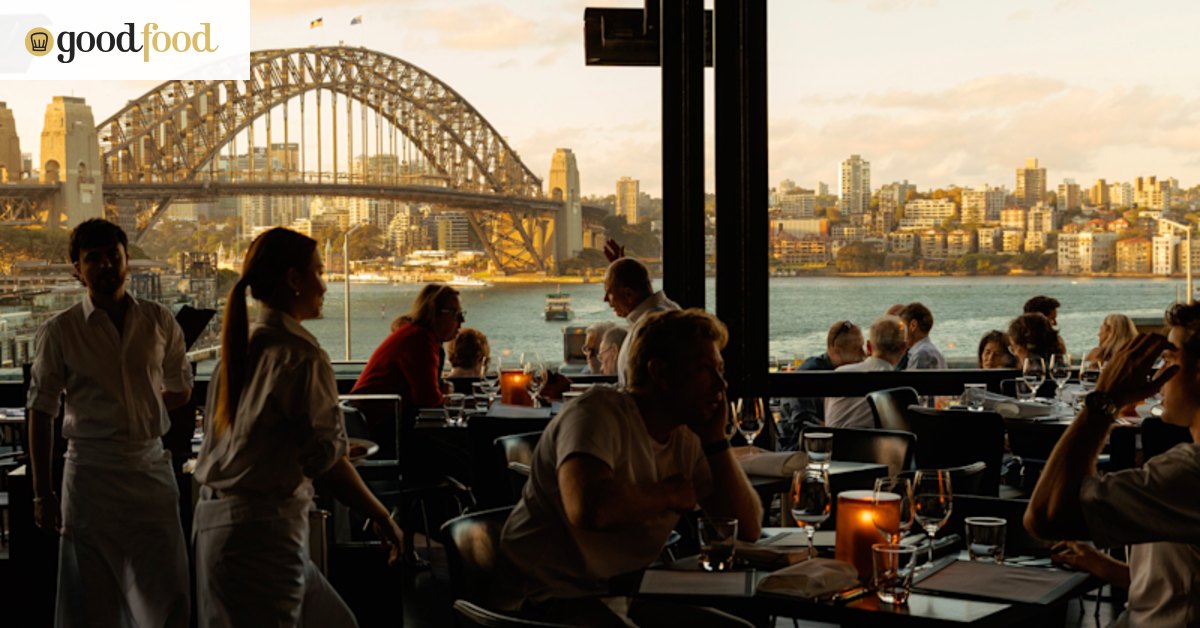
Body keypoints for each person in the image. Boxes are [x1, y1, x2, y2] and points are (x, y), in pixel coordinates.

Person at [494, 309, 762, 627]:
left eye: (720, 369)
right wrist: (669, 494)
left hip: (619, 597)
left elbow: (747, 529)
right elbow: (590, 508)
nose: (721, 384)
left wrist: (717, 442)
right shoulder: (596, 413)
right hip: (540, 602)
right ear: (660, 372)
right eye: (705, 370)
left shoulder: (688, 436)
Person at [193, 227, 404, 627]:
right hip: (262, 535)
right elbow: (328, 461)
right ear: (294, 280)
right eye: (319, 272)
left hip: (227, 527)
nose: (325, 285)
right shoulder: (301, 355)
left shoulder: (240, 347)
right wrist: (383, 516)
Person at [27, 219, 193, 627]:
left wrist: (137, 411)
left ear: (127, 261)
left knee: (168, 592)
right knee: (90, 597)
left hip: (148, 468)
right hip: (90, 475)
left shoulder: (159, 321)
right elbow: (41, 410)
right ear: (76, 270)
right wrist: (41, 492)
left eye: (113, 256)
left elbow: (181, 387)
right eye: (93, 259)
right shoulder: (60, 332)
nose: (105, 265)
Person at [1025, 303, 1200, 627]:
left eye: (1170, 361)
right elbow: (1183, 583)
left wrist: (1105, 399)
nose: (1159, 376)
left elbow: (1045, 516)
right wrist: (1111, 568)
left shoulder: (1188, 475)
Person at [351, 283, 463, 421]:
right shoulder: (420, 339)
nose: (462, 321)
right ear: (434, 313)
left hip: (369, 418)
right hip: (377, 425)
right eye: (455, 314)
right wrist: (454, 400)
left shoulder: (413, 333)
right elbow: (429, 400)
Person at [777, 320, 866, 449]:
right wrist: (837, 430)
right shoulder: (811, 374)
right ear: (836, 350)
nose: (863, 354)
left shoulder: (846, 372)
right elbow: (802, 421)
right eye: (856, 349)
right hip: (798, 447)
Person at [603, 257, 679, 386]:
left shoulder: (652, 326)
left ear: (629, 294)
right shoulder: (668, 310)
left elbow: (639, 389)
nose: (606, 299)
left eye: (609, 292)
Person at [824, 316, 908, 429]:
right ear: (903, 348)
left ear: (868, 346)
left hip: (836, 444)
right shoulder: (901, 386)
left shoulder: (840, 373)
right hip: (874, 446)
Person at [898, 302, 946, 370]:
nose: (899, 332)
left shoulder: (921, 354)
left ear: (913, 325)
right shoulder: (932, 351)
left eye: (901, 327)